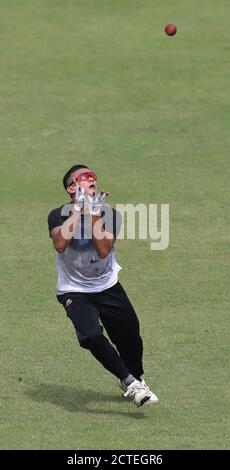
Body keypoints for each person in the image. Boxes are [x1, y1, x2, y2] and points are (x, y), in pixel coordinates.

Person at [47, 164, 159, 407]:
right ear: (70, 188)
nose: (91, 179)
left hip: (108, 286)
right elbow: (59, 244)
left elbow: (103, 249)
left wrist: (95, 213)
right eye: (83, 177)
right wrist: (78, 210)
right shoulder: (58, 215)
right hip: (74, 289)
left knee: (131, 339)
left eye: (92, 177)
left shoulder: (111, 214)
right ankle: (131, 383)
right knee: (89, 335)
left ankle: (135, 378)